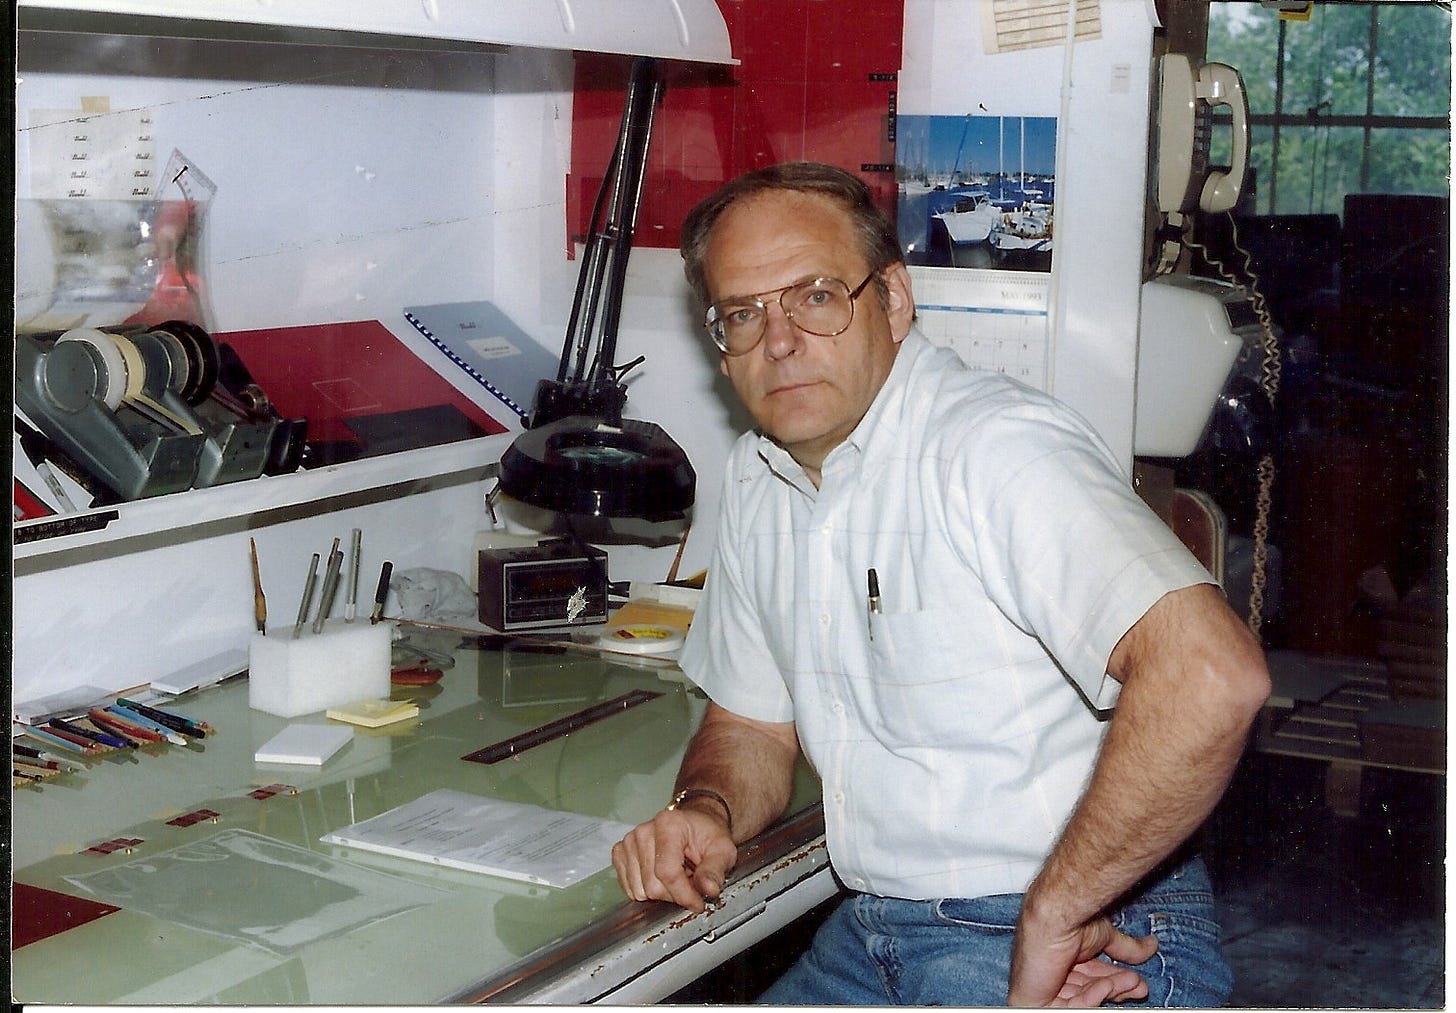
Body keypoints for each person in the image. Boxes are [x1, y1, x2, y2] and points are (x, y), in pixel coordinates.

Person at [611, 162, 1271, 1007]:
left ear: (892, 299)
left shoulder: (991, 447)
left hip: (1083, 919)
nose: (779, 342)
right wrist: (706, 807)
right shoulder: (755, 477)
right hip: (877, 929)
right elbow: (750, 724)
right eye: (744, 314)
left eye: (815, 297)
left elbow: (1212, 675)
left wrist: (1056, 912)